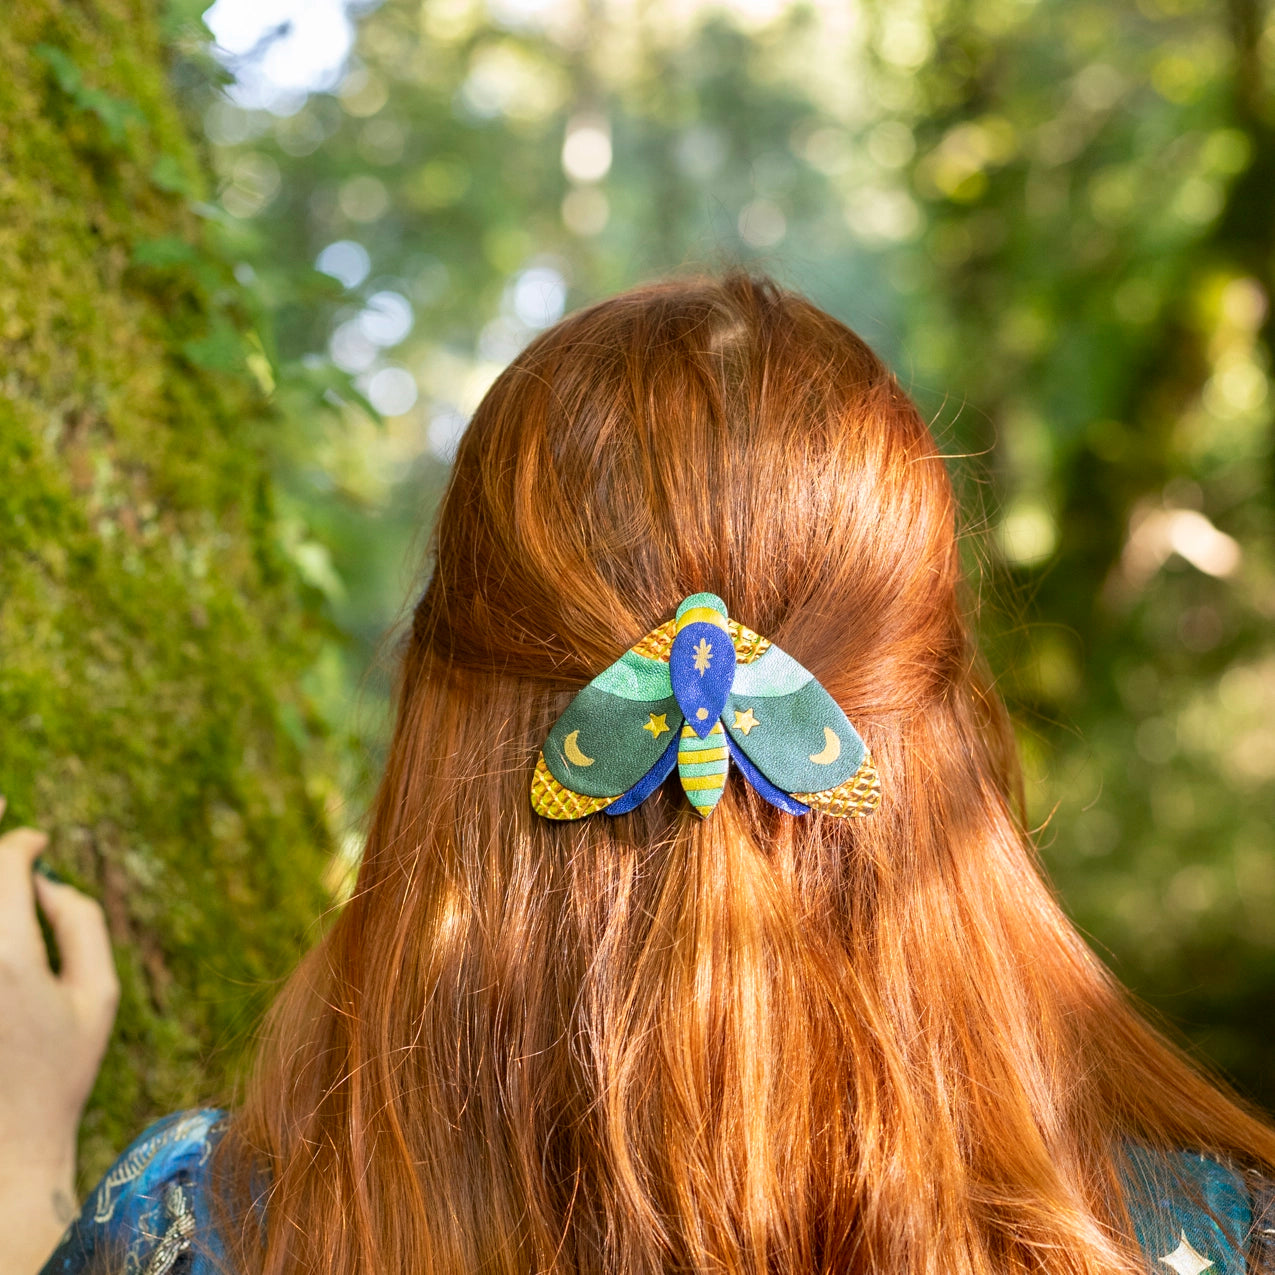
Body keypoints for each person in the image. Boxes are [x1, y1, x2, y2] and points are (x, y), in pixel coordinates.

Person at [5, 273, 1275, 1275]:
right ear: (944, 722)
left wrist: (22, 1178)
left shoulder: (195, 1230)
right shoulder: (1220, 1233)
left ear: (443, 718)